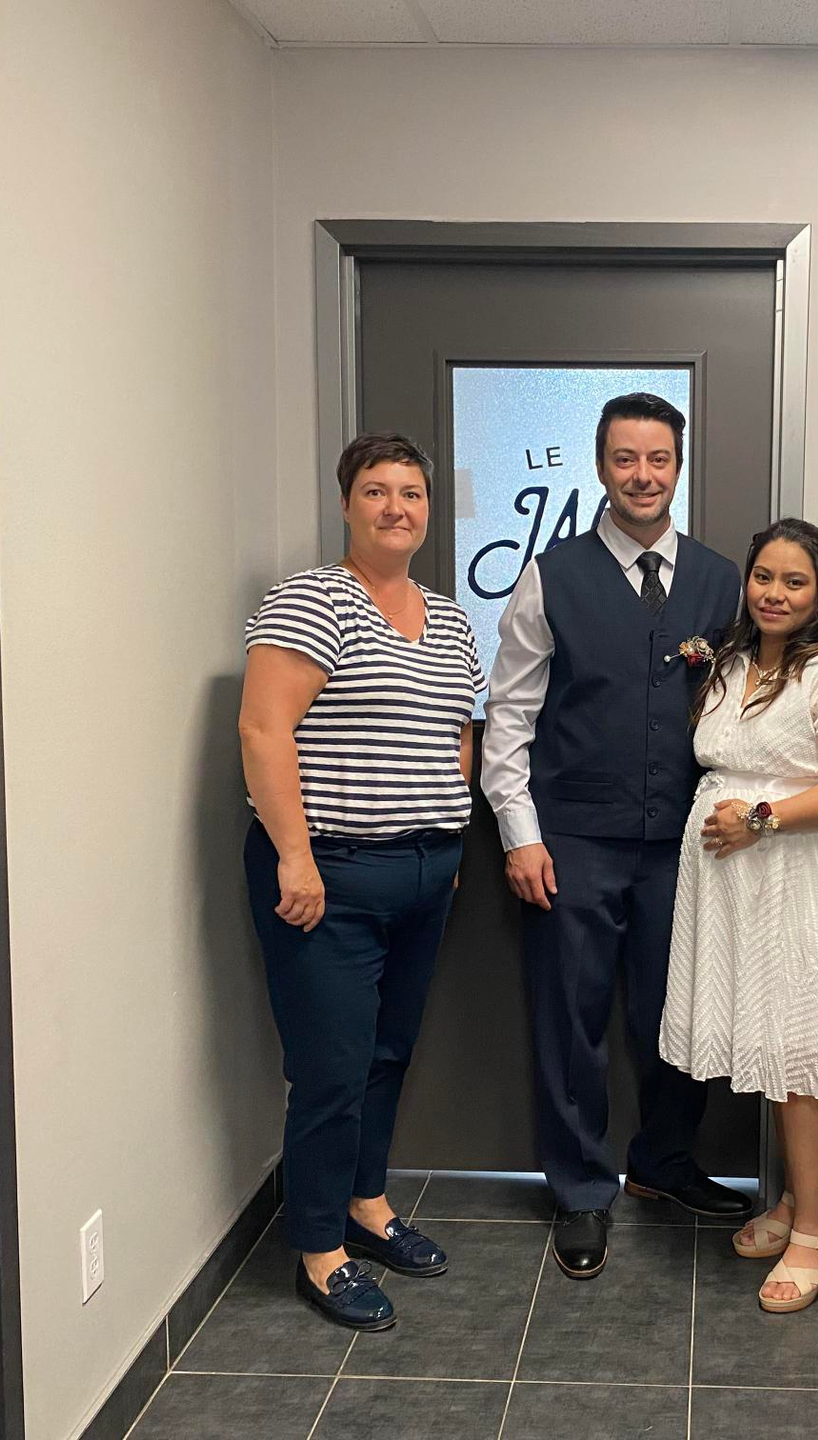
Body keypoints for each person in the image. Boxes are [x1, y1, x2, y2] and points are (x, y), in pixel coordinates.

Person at [481, 392, 751, 1281]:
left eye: (658, 459)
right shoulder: (550, 575)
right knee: (571, 1017)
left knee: (679, 1012)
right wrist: (519, 835)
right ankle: (580, 1189)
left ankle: (665, 1162)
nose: (643, 476)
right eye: (625, 459)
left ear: (678, 466)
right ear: (601, 467)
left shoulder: (721, 581)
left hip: (685, 842)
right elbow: (509, 717)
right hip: (573, 838)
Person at [237, 432, 484, 1331]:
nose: (395, 508)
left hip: (424, 871)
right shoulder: (312, 601)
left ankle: (366, 1205)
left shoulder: (450, 617)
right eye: (376, 491)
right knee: (331, 1070)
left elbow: (460, 729)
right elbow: (263, 731)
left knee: (387, 1053)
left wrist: (448, 836)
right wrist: (295, 856)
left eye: (411, 493)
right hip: (328, 875)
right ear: (346, 504)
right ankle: (319, 1250)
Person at [660, 519, 818, 1314]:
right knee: (771, 1045)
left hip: (800, 878)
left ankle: (817, 1237)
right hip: (737, 888)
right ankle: (801, 1202)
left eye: (794, 581)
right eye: (764, 576)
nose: (774, 593)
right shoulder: (733, 662)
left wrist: (760, 819)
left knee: (801, 1058)